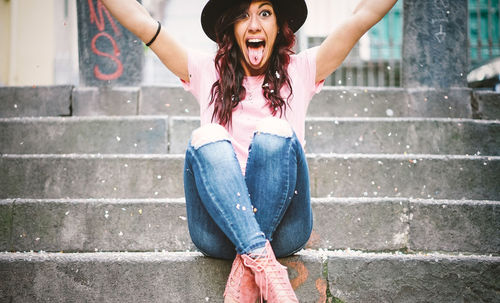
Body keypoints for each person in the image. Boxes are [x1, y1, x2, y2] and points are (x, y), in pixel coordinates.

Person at [100, 0, 398, 302]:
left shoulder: (302, 69)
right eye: (243, 15)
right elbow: (141, 22)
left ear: (279, 26)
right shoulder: (206, 71)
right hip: (216, 233)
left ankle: (250, 264)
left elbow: (361, 18)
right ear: (231, 28)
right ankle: (263, 262)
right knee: (208, 135)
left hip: (286, 230)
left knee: (276, 131)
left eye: (264, 13)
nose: (254, 25)